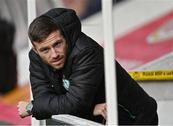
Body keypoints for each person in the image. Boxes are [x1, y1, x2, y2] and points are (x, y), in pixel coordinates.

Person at [17, 8, 158, 125]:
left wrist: (31, 107)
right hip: (96, 118)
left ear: (65, 37)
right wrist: (90, 109)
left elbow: (73, 103)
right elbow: (44, 98)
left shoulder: (86, 52)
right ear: (35, 50)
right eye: (45, 50)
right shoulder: (36, 57)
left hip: (136, 120)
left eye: (57, 44)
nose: (54, 54)